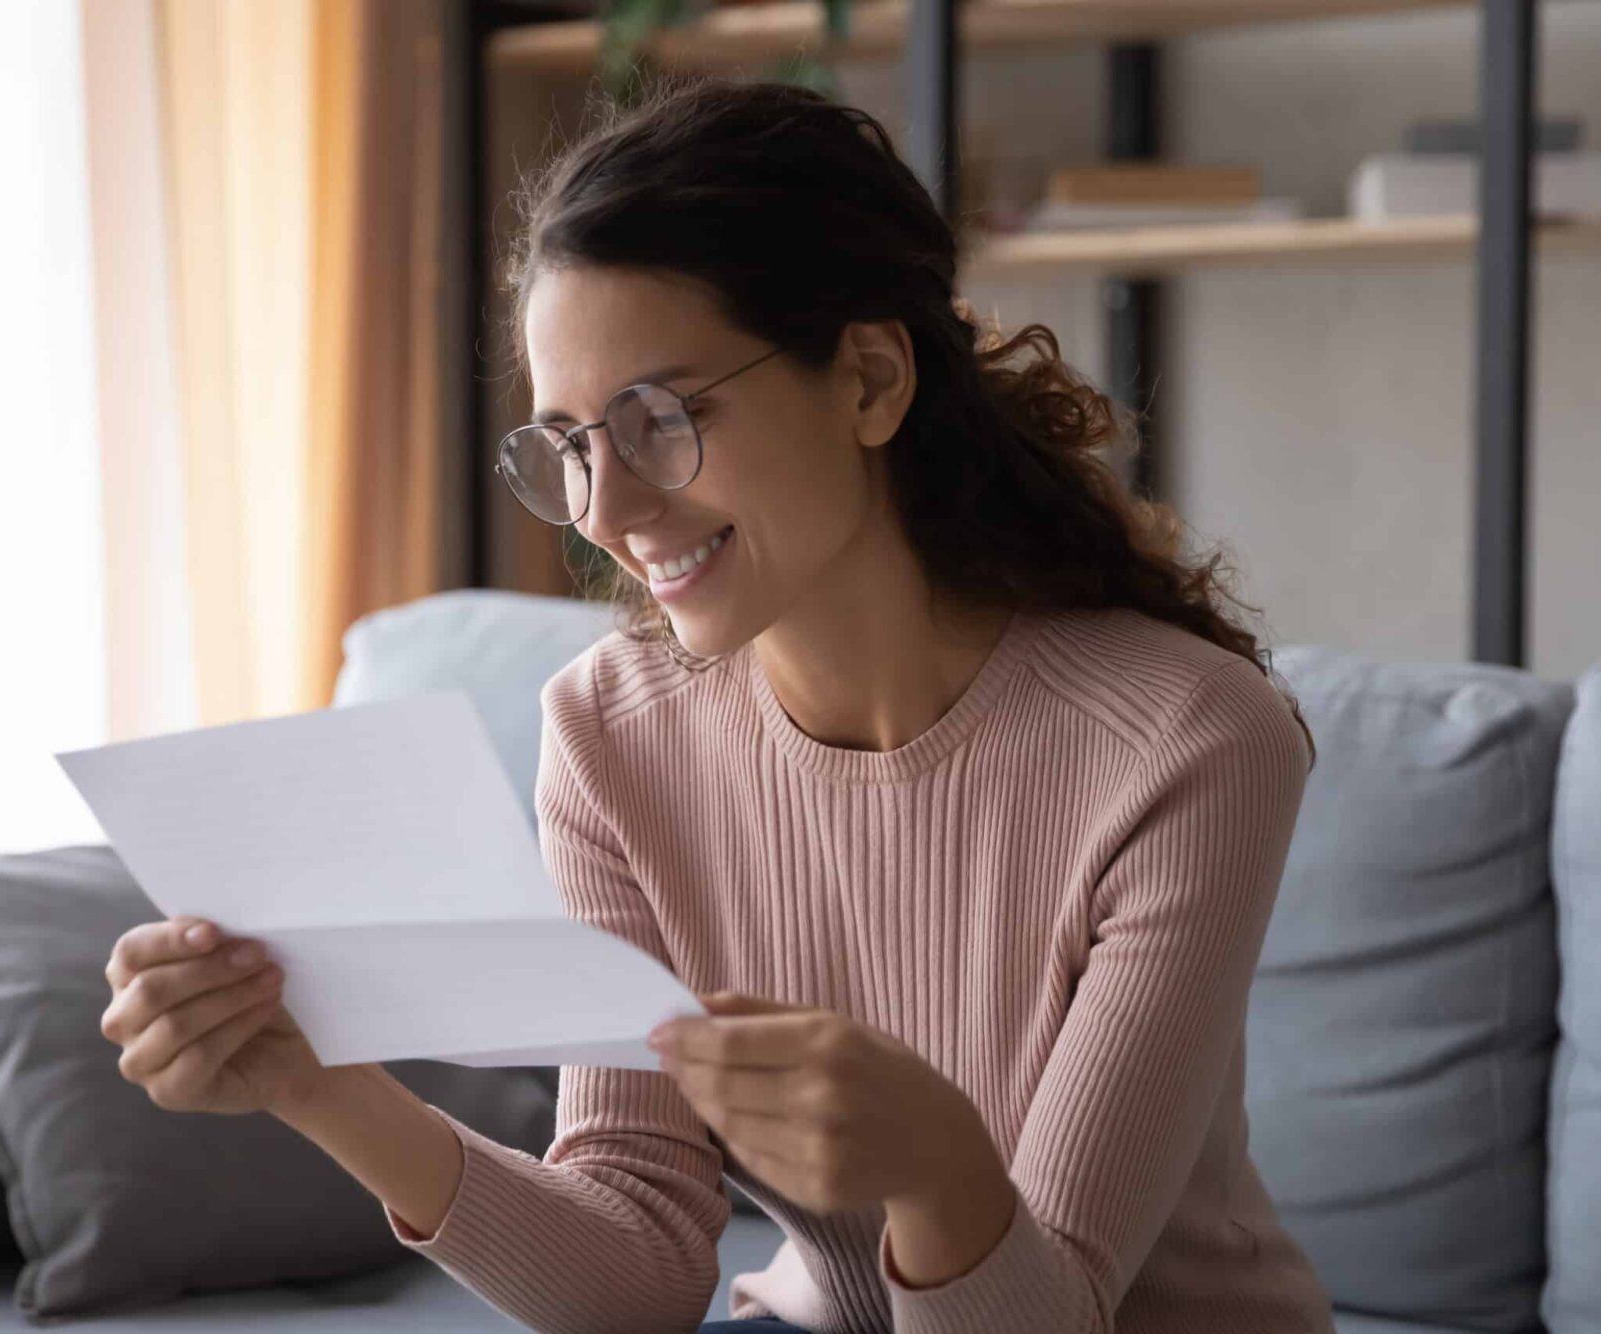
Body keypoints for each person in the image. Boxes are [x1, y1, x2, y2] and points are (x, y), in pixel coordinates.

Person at [97, 76, 1338, 1334]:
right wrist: (320, 1085)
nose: (607, 511)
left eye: (659, 416)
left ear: (866, 380)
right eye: (569, 445)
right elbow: (631, 1269)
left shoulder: (1185, 741)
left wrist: (937, 1169)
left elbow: (1052, 1307)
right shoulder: (610, 731)